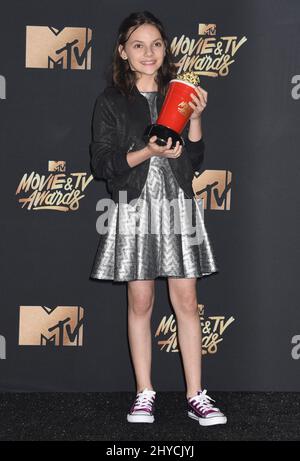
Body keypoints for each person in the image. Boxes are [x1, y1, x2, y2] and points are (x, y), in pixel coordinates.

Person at [89, 10, 227, 427]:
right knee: (141, 302)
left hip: (178, 205)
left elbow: (197, 160)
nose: (148, 53)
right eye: (138, 45)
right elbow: (103, 164)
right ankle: (144, 392)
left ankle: (195, 395)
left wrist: (197, 118)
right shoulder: (112, 101)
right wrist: (148, 152)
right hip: (133, 207)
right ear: (123, 52)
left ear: (165, 49)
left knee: (187, 302)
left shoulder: (179, 92)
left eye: (156, 44)